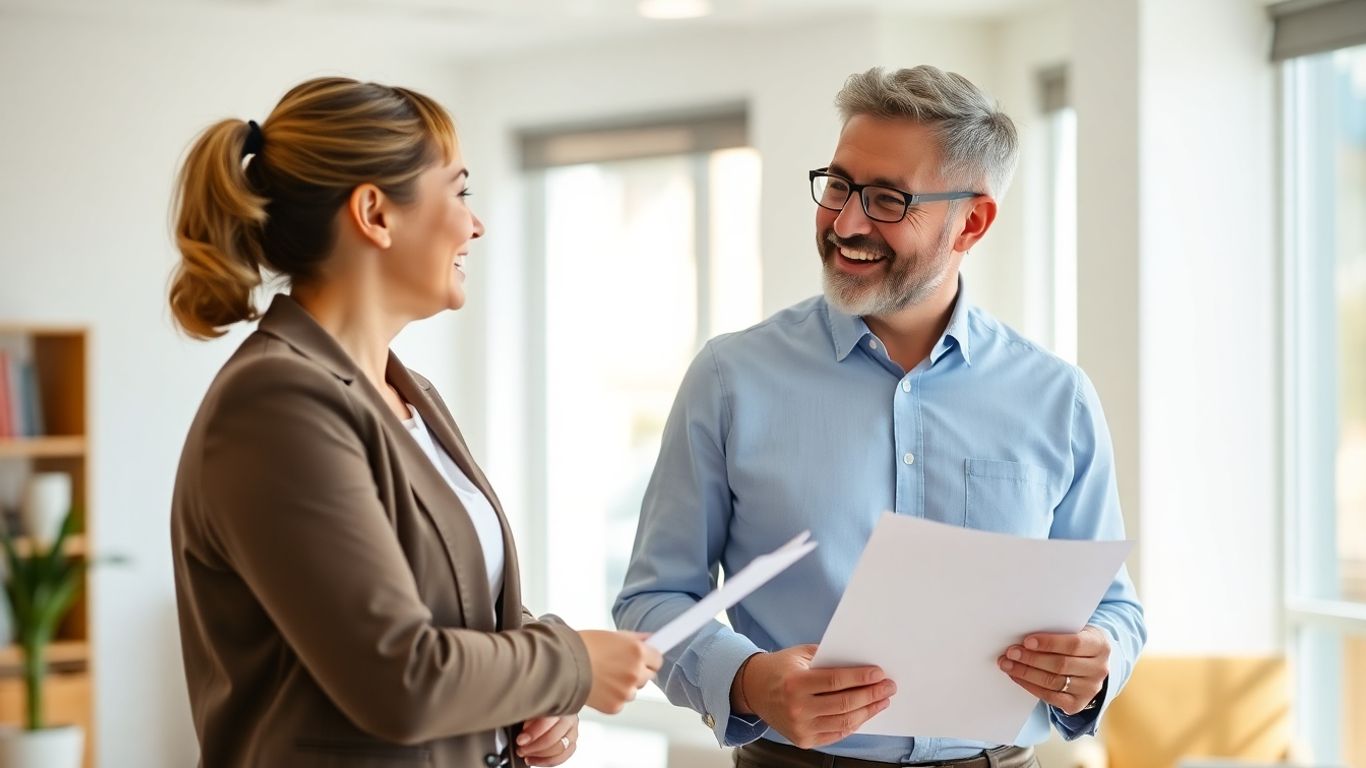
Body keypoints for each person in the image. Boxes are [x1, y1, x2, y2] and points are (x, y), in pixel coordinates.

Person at [614, 65, 1146, 768]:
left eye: (888, 200)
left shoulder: (1057, 398)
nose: (847, 222)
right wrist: (745, 680)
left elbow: (1114, 607)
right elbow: (654, 599)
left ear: (974, 221)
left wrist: (1098, 661)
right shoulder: (731, 379)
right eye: (839, 186)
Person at [168, 77, 661, 768]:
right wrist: (570, 663)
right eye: (459, 192)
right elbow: (398, 676)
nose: (476, 224)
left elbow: (453, 610)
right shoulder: (276, 403)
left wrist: (535, 702)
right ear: (374, 213)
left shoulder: (409, 395)